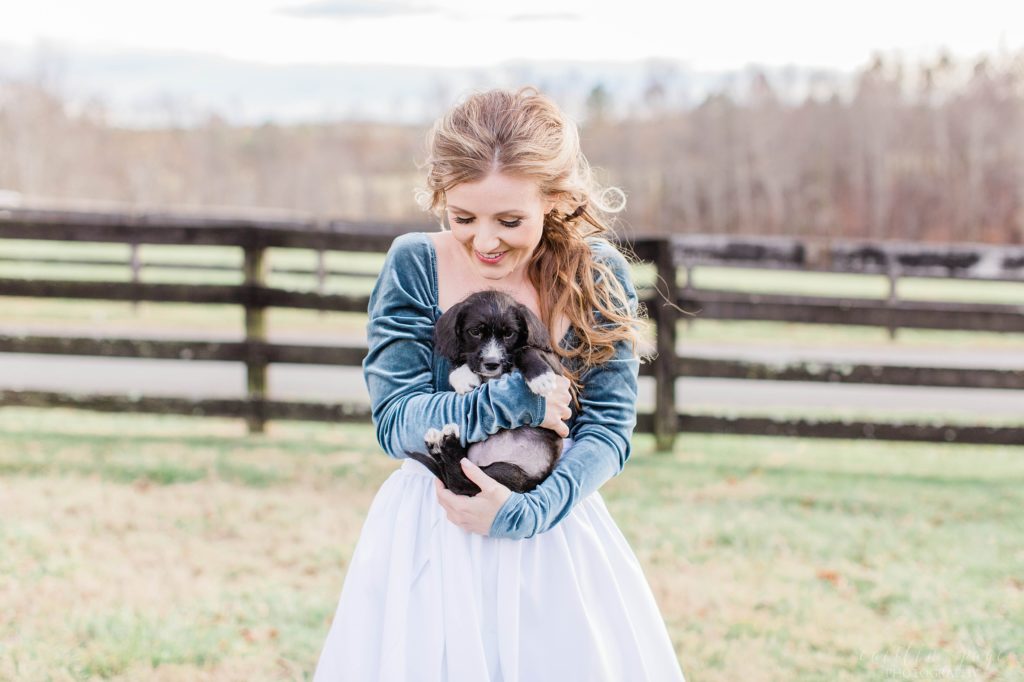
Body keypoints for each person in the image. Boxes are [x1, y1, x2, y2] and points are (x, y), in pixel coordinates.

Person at [313, 86, 686, 681]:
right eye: (463, 218)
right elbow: (397, 421)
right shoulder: (414, 263)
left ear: (555, 200)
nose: (485, 241)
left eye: (510, 220)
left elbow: (608, 432)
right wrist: (514, 398)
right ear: (440, 199)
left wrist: (527, 513)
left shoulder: (601, 276)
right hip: (434, 528)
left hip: (554, 525)